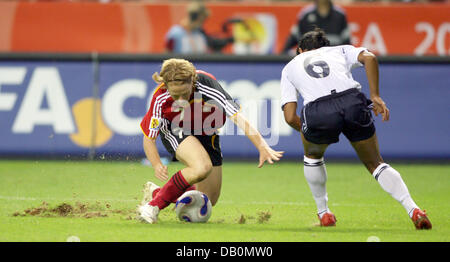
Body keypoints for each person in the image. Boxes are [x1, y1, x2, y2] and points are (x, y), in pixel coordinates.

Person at [280, 28, 432, 229]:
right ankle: (414, 209)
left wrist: (311, 130)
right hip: (352, 102)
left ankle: (324, 213)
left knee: (313, 157)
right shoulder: (340, 50)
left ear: (299, 50)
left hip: (318, 111)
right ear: (326, 47)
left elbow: (290, 117)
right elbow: (370, 58)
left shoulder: (290, 67)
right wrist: (375, 96)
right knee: (375, 163)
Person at [138, 58, 284, 223]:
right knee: (201, 167)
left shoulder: (207, 86)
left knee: (205, 201)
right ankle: (152, 207)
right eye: (175, 95)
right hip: (175, 128)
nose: (180, 100)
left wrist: (262, 145)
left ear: (193, 82)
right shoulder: (160, 96)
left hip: (206, 131)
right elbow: (149, 138)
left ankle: (160, 193)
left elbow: (238, 118)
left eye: (184, 94)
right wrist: (156, 163)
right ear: (166, 85)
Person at [281, 0, 351, 54]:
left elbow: (347, 42)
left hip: (334, 58)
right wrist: (282, 55)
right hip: (309, 58)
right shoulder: (305, 14)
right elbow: (293, 37)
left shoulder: (340, 15)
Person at [165, 1, 234, 54]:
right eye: (202, 20)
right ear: (195, 17)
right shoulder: (175, 33)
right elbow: (167, 53)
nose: (203, 24)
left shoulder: (200, 33)